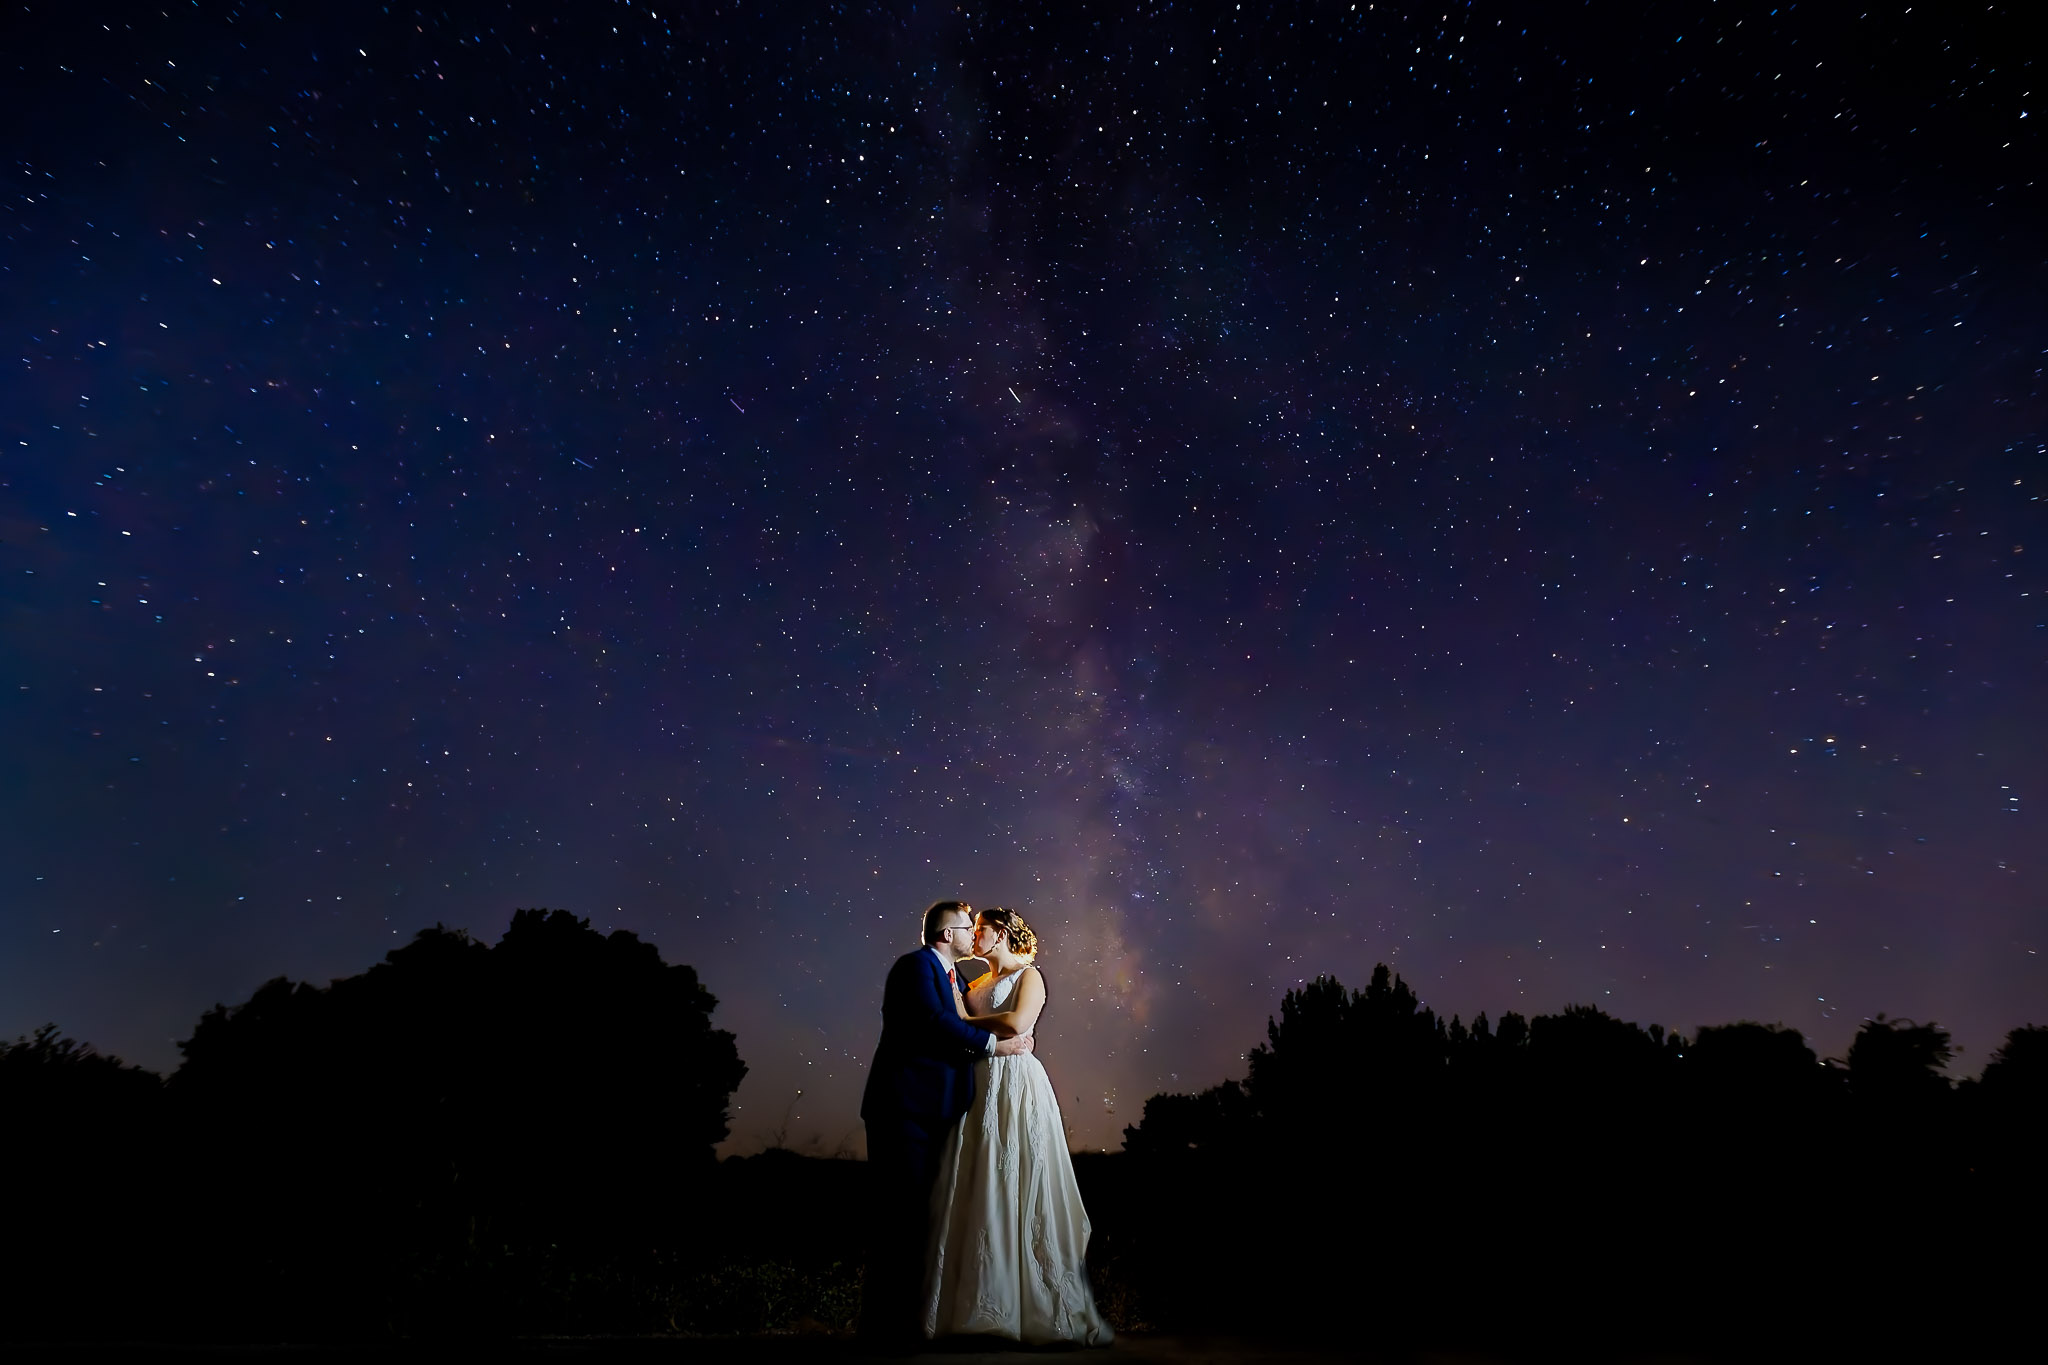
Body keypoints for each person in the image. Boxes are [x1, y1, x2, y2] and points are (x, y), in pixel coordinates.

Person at [921, 906, 1113, 1346]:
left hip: (1017, 1082)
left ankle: (1032, 1306)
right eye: (972, 929)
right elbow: (952, 1030)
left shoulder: (1030, 976)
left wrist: (965, 1022)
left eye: (982, 929)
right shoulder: (971, 984)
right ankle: (976, 1303)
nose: (974, 936)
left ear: (1003, 934)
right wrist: (964, 1024)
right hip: (977, 1083)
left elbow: (1016, 1023)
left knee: (1021, 1173)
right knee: (977, 1177)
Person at [860, 900, 1035, 1344]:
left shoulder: (953, 976)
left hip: (937, 1111)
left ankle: (913, 1321)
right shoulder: (916, 967)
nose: (972, 932)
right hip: (905, 1108)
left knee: (926, 1217)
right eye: (966, 926)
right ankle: (885, 1330)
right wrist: (995, 1046)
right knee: (900, 1216)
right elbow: (934, 1022)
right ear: (946, 935)